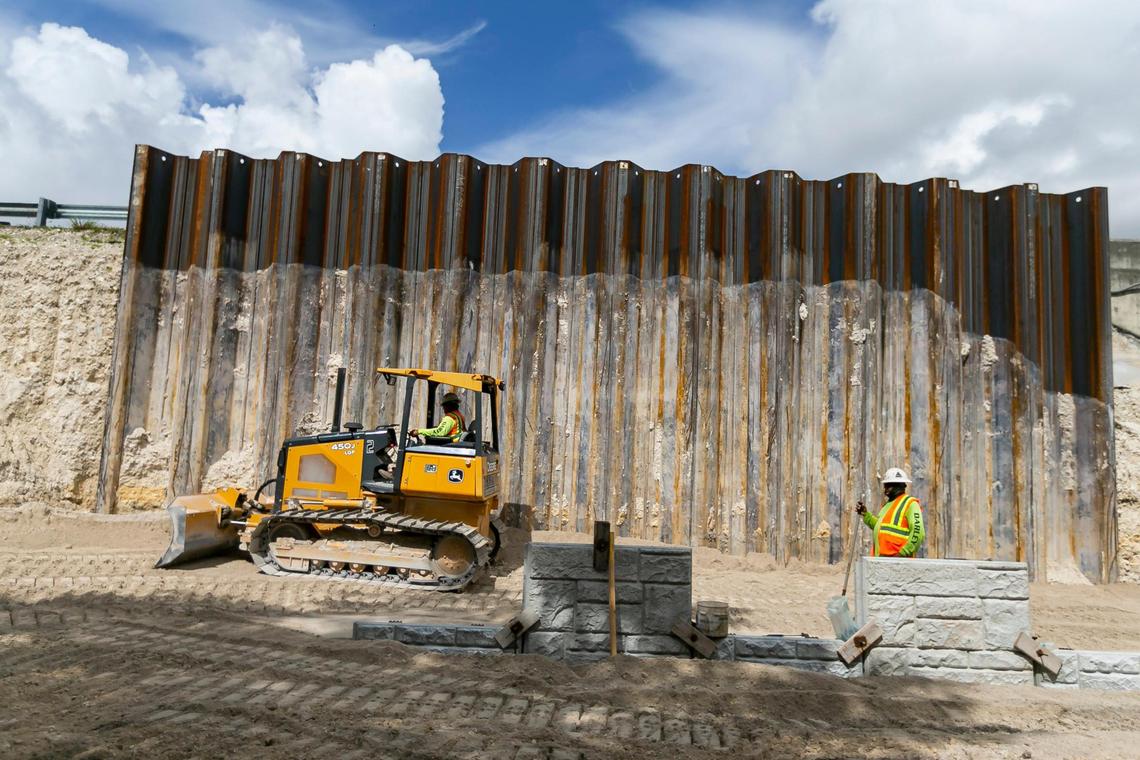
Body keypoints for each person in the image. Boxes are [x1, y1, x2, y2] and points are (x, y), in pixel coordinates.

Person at [856, 467, 926, 558]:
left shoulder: (910, 504)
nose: (886, 488)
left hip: (899, 562)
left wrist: (902, 553)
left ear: (902, 486)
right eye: (886, 485)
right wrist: (865, 514)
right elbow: (881, 527)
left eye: (890, 485)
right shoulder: (888, 505)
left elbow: (918, 532)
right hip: (882, 561)